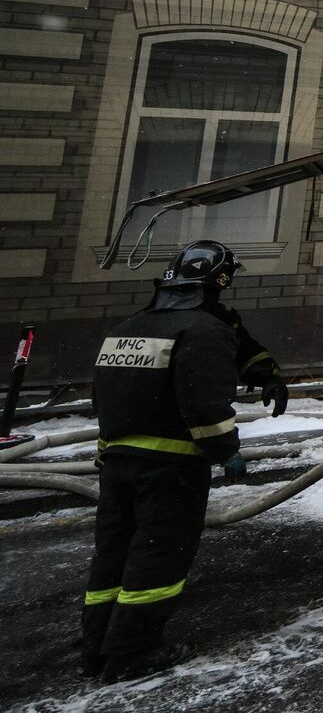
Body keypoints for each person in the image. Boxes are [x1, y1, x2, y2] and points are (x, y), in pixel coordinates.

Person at [83, 240, 278, 681]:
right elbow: (205, 403)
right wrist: (226, 452)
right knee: (158, 559)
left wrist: (104, 454)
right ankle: (132, 653)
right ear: (219, 281)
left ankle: (96, 646)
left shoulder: (127, 327)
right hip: (170, 468)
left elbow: (105, 398)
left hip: (117, 463)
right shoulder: (203, 330)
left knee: (113, 554)